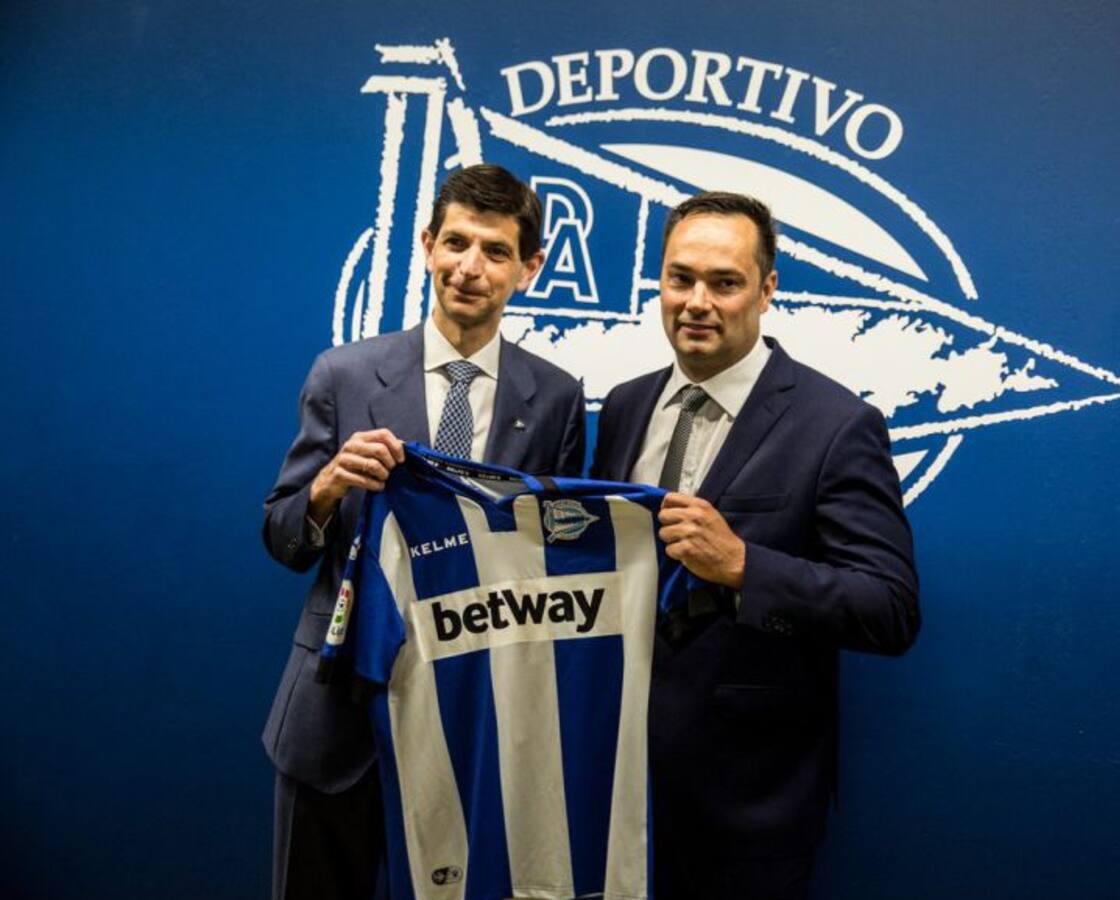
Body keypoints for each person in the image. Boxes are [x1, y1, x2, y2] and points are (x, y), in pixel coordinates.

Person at [261, 164, 586, 900]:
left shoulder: (557, 398)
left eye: (496, 251)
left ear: (529, 269)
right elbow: (282, 538)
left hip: (477, 719)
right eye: (457, 243)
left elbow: (553, 567)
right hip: (336, 716)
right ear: (427, 245)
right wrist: (327, 486)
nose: (470, 267)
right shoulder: (344, 375)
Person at [590, 192, 920, 899]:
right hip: (612, 783)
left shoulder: (837, 424)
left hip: (747, 806)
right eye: (680, 278)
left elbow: (889, 609)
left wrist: (744, 566)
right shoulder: (624, 405)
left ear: (767, 290)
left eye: (725, 282)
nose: (697, 302)